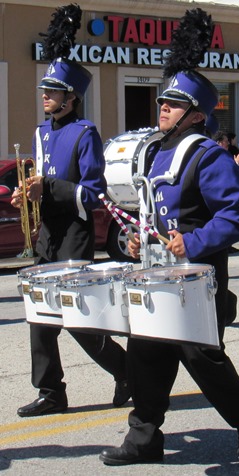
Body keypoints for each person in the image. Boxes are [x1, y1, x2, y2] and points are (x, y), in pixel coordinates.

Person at [99, 69, 239, 466]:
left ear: (195, 115)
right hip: (157, 275)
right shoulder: (157, 152)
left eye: (173, 104)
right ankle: (144, 436)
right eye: (162, 102)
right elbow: (153, 212)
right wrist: (142, 235)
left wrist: (190, 242)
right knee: (145, 352)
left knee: (201, 359)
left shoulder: (207, 155)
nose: (163, 108)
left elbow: (235, 216)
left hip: (197, 278)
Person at [11, 5, 130, 417]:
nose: (45, 97)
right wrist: (28, 194)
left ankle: (126, 370)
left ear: (70, 97)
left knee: (79, 320)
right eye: (44, 91)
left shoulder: (86, 133)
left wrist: (52, 188)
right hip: (48, 233)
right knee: (38, 316)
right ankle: (51, 393)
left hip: (76, 235)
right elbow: (42, 183)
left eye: (52, 92)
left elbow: (93, 195)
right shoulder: (42, 132)